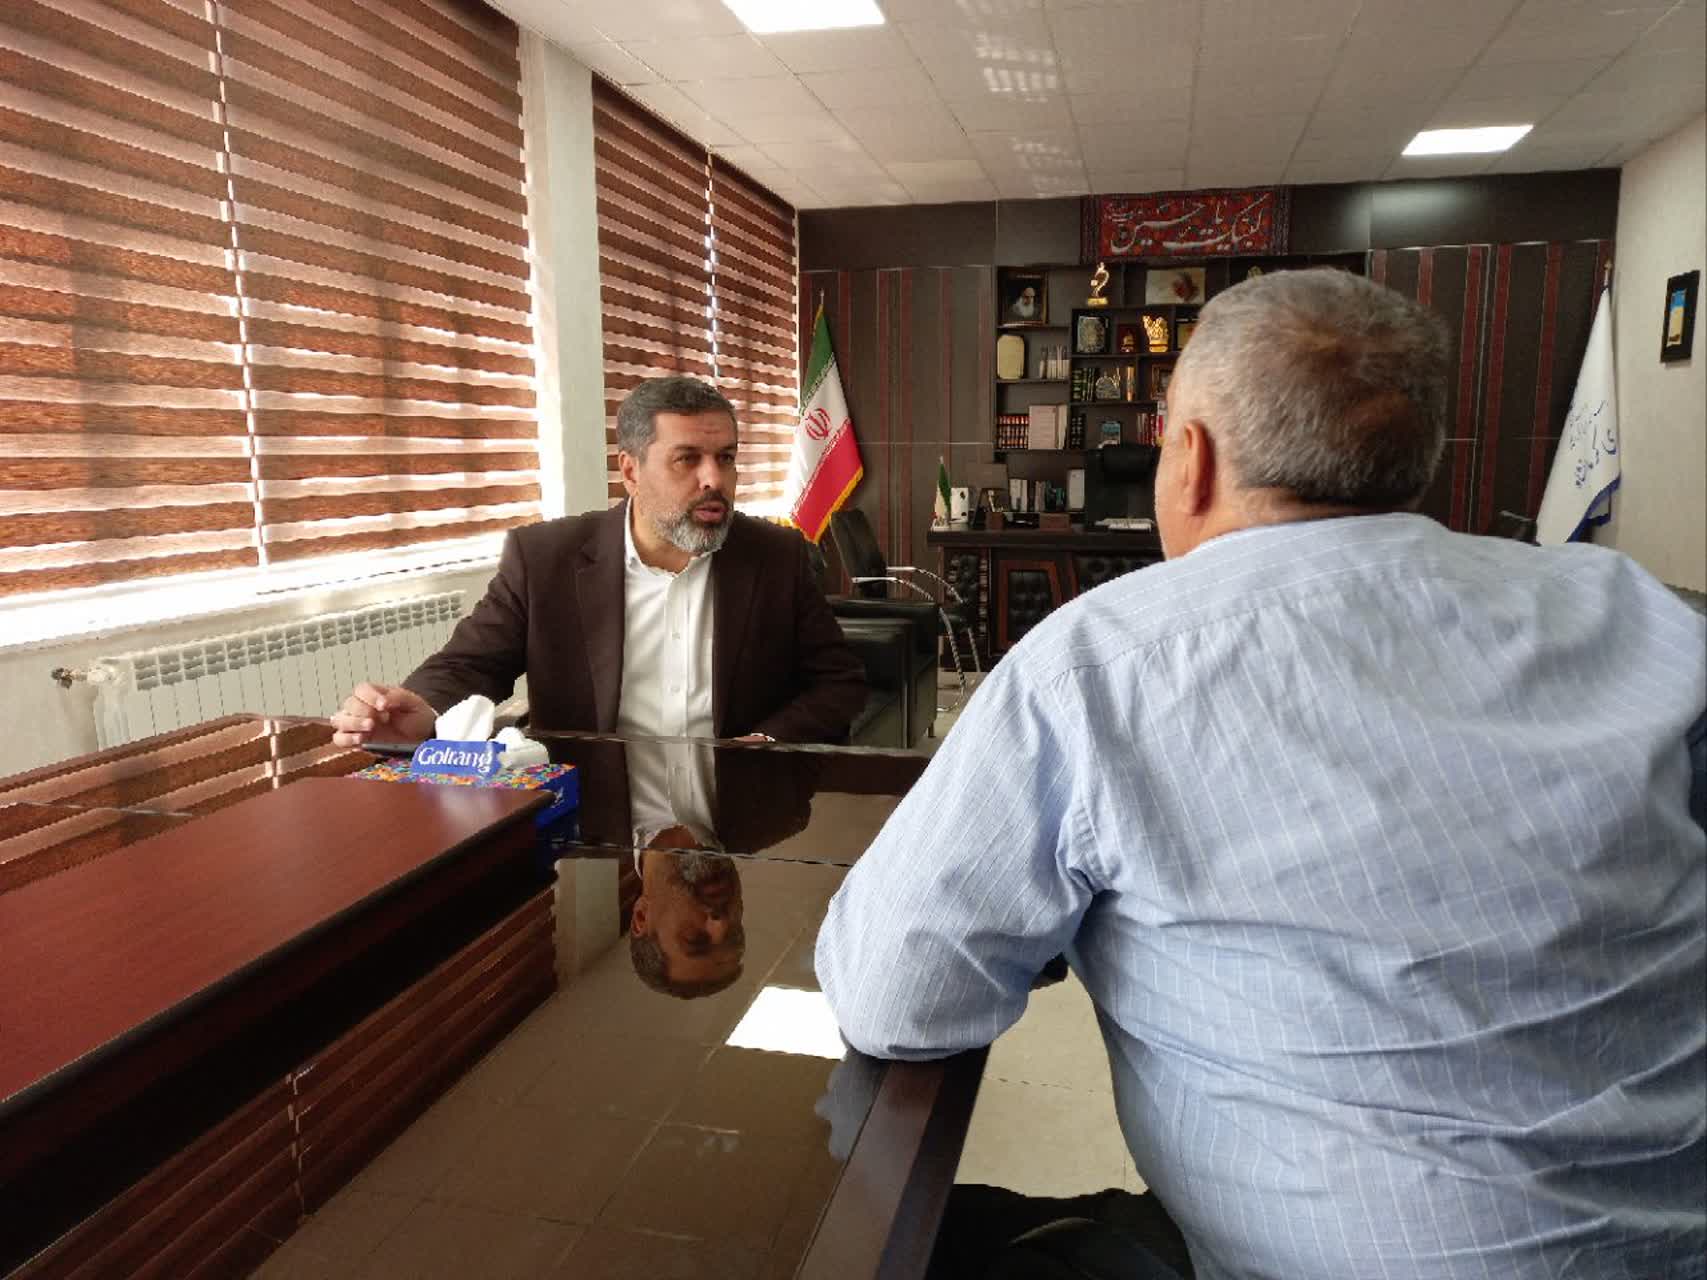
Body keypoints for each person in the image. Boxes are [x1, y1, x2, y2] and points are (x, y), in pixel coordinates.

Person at [816, 269, 1707, 1278]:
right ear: (1415, 457)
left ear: (1189, 456)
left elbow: (898, 995)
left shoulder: (1100, 663)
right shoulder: (1635, 611)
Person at [330, 376, 867, 747]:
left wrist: (766, 741)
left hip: (740, 809)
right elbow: (470, 663)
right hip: (593, 816)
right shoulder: (546, 559)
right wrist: (422, 709)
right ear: (630, 471)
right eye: (687, 459)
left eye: (725, 458)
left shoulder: (777, 556)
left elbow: (838, 683)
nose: (714, 479)